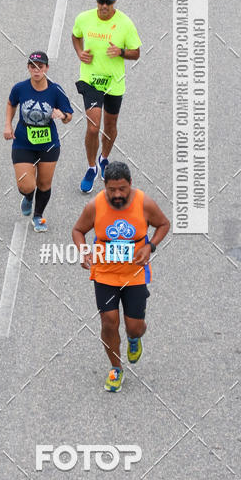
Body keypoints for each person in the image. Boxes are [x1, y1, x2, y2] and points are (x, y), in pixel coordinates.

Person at [72, 161, 170, 391]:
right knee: (109, 321)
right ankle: (116, 368)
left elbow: (164, 224)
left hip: (134, 273)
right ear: (104, 186)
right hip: (104, 273)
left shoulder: (144, 203)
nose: (117, 194)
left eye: (122, 189)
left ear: (130, 185)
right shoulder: (95, 206)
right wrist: (84, 250)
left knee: (134, 327)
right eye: (112, 189)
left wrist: (150, 247)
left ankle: (134, 339)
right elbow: (78, 230)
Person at [71, 0, 141, 194]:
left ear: (114, 2)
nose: (104, 6)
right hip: (91, 80)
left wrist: (120, 52)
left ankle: (104, 158)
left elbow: (136, 52)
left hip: (114, 82)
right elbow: (76, 35)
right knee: (93, 127)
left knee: (110, 127)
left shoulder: (125, 24)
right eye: (101, 2)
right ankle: (91, 167)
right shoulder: (84, 18)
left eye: (108, 3)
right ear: (97, 1)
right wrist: (79, 52)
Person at [4, 51, 73, 232]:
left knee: (44, 184)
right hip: (23, 143)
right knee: (26, 184)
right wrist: (8, 125)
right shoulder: (20, 88)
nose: (36, 70)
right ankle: (28, 196)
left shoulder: (55, 90)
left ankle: (38, 216)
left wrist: (62, 115)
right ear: (28, 68)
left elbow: (69, 116)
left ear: (46, 68)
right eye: (32, 67)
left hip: (48, 145)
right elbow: (11, 103)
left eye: (40, 67)